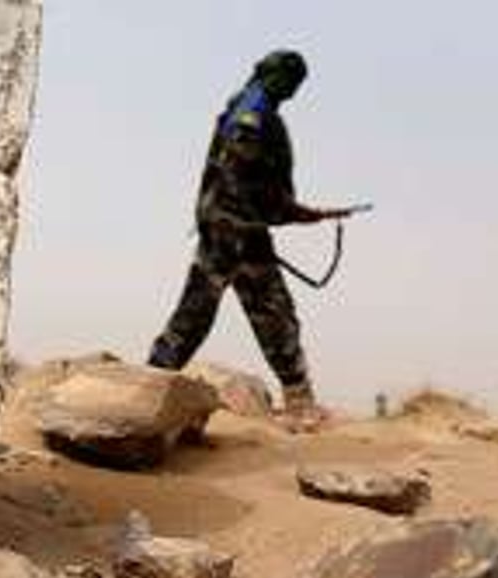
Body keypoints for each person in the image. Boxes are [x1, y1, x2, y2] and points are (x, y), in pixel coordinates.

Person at [147, 50, 352, 431]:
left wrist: (300, 213)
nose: (292, 89)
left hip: (235, 229)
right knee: (243, 314)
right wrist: (297, 212)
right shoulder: (253, 114)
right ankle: (299, 404)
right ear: (269, 74)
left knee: (247, 315)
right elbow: (244, 180)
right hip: (236, 232)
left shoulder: (245, 107)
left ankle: (152, 382)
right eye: (289, 78)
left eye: (296, 82)